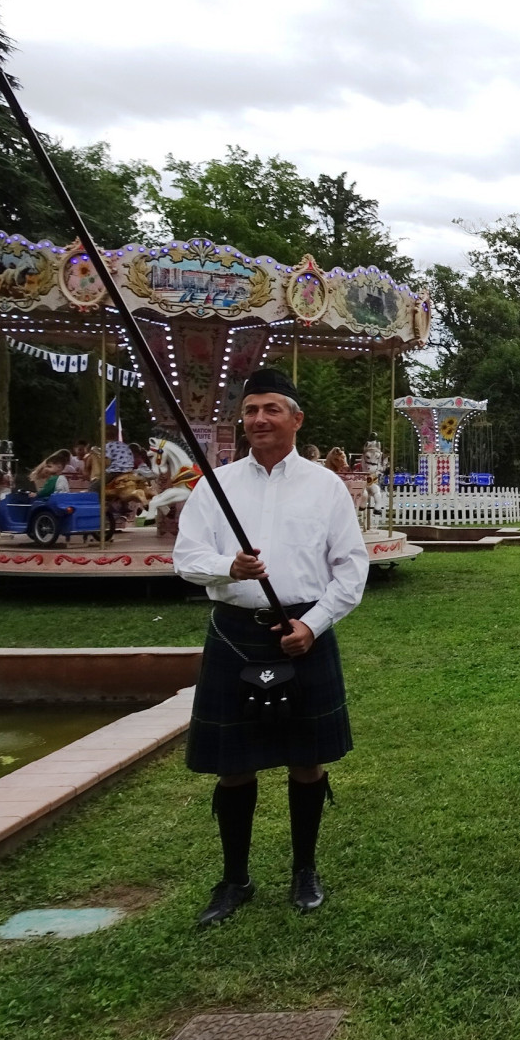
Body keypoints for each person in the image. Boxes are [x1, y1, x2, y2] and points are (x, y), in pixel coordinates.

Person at [173, 368, 369, 928]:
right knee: (233, 765)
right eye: (251, 410)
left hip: (301, 633)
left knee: (307, 761)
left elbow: (350, 568)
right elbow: (186, 558)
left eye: (271, 409)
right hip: (235, 634)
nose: (259, 419)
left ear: (296, 419)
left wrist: (315, 625)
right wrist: (227, 566)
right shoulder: (216, 485)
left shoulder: (326, 487)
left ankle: (305, 871)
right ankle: (234, 879)